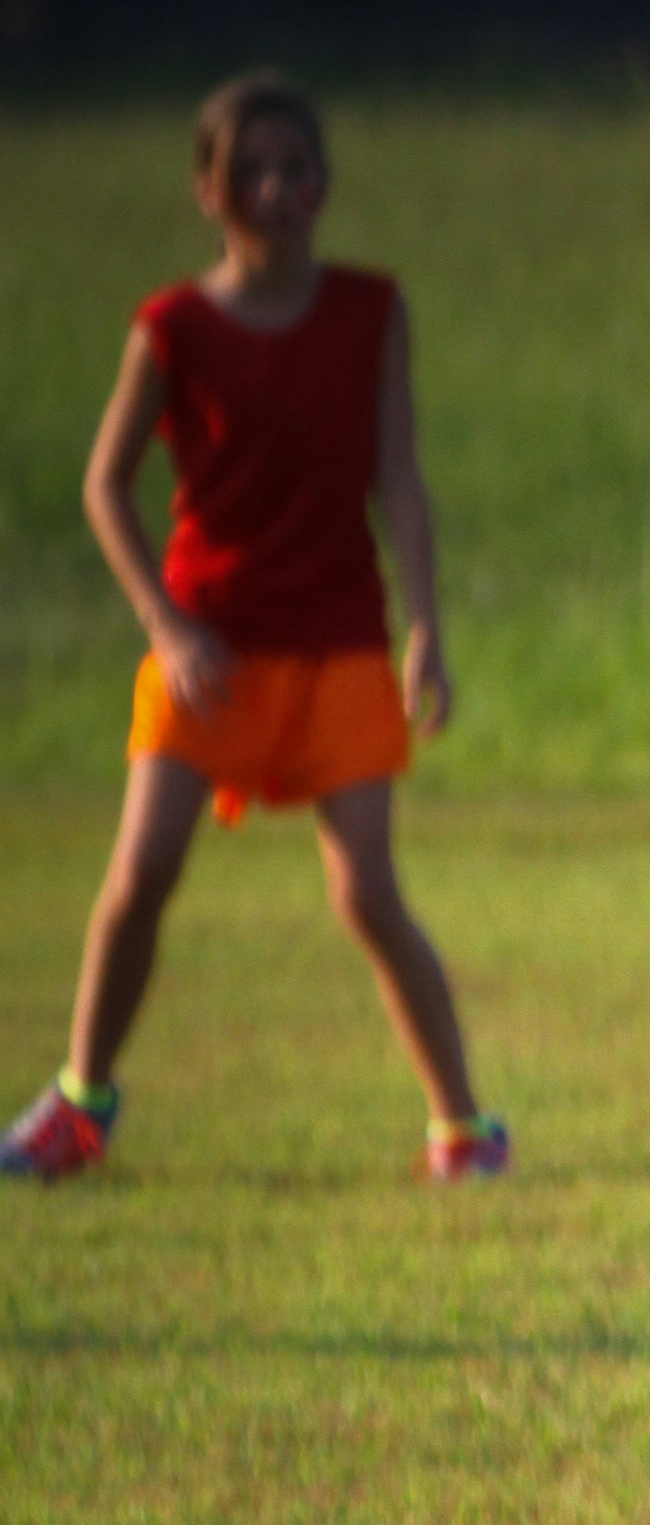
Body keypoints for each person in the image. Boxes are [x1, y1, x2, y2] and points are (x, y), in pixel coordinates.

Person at [10, 74, 503, 1186]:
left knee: (366, 891)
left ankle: (465, 1130)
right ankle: (80, 1103)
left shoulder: (371, 310)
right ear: (210, 191)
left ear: (325, 185)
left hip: (338, 640)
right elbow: (104, 485)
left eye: (299, 168)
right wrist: (166, 624)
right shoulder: (172, 328)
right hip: (213, 649)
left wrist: (425, 627)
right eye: (255, 171)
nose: (280, 189)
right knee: (141, 872)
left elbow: (400, 479)